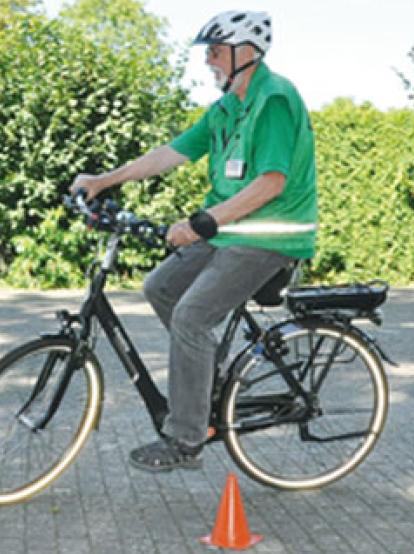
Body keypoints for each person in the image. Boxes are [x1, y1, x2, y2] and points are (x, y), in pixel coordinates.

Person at [70, 10, 318, 472]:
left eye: (217, 51)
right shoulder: (225, 109)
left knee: (191, 314)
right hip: (230, 231)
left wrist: (203, 223)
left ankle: (186, 439)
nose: (209, 60)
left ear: (248, 53)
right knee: (159, 287)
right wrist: (104, 181)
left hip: (271, 236)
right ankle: (209, 382)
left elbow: (271, 183)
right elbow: (171, 153)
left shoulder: (275, 99)